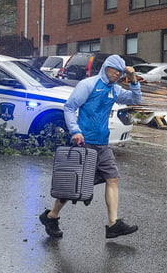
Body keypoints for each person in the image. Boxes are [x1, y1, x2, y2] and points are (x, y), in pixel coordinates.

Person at [39, 54, 142, 239]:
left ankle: (113, 224)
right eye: (114, 70)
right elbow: (69, 107)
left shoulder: (115, 90)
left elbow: (135, 99)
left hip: (103, 143)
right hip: (84, 142)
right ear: (106, 68)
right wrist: (75, 131)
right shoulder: (88, 85)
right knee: (74, 186)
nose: (116, 74)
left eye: (120, 72)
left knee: (113, 178)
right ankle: (51, 216)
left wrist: (133, 80)